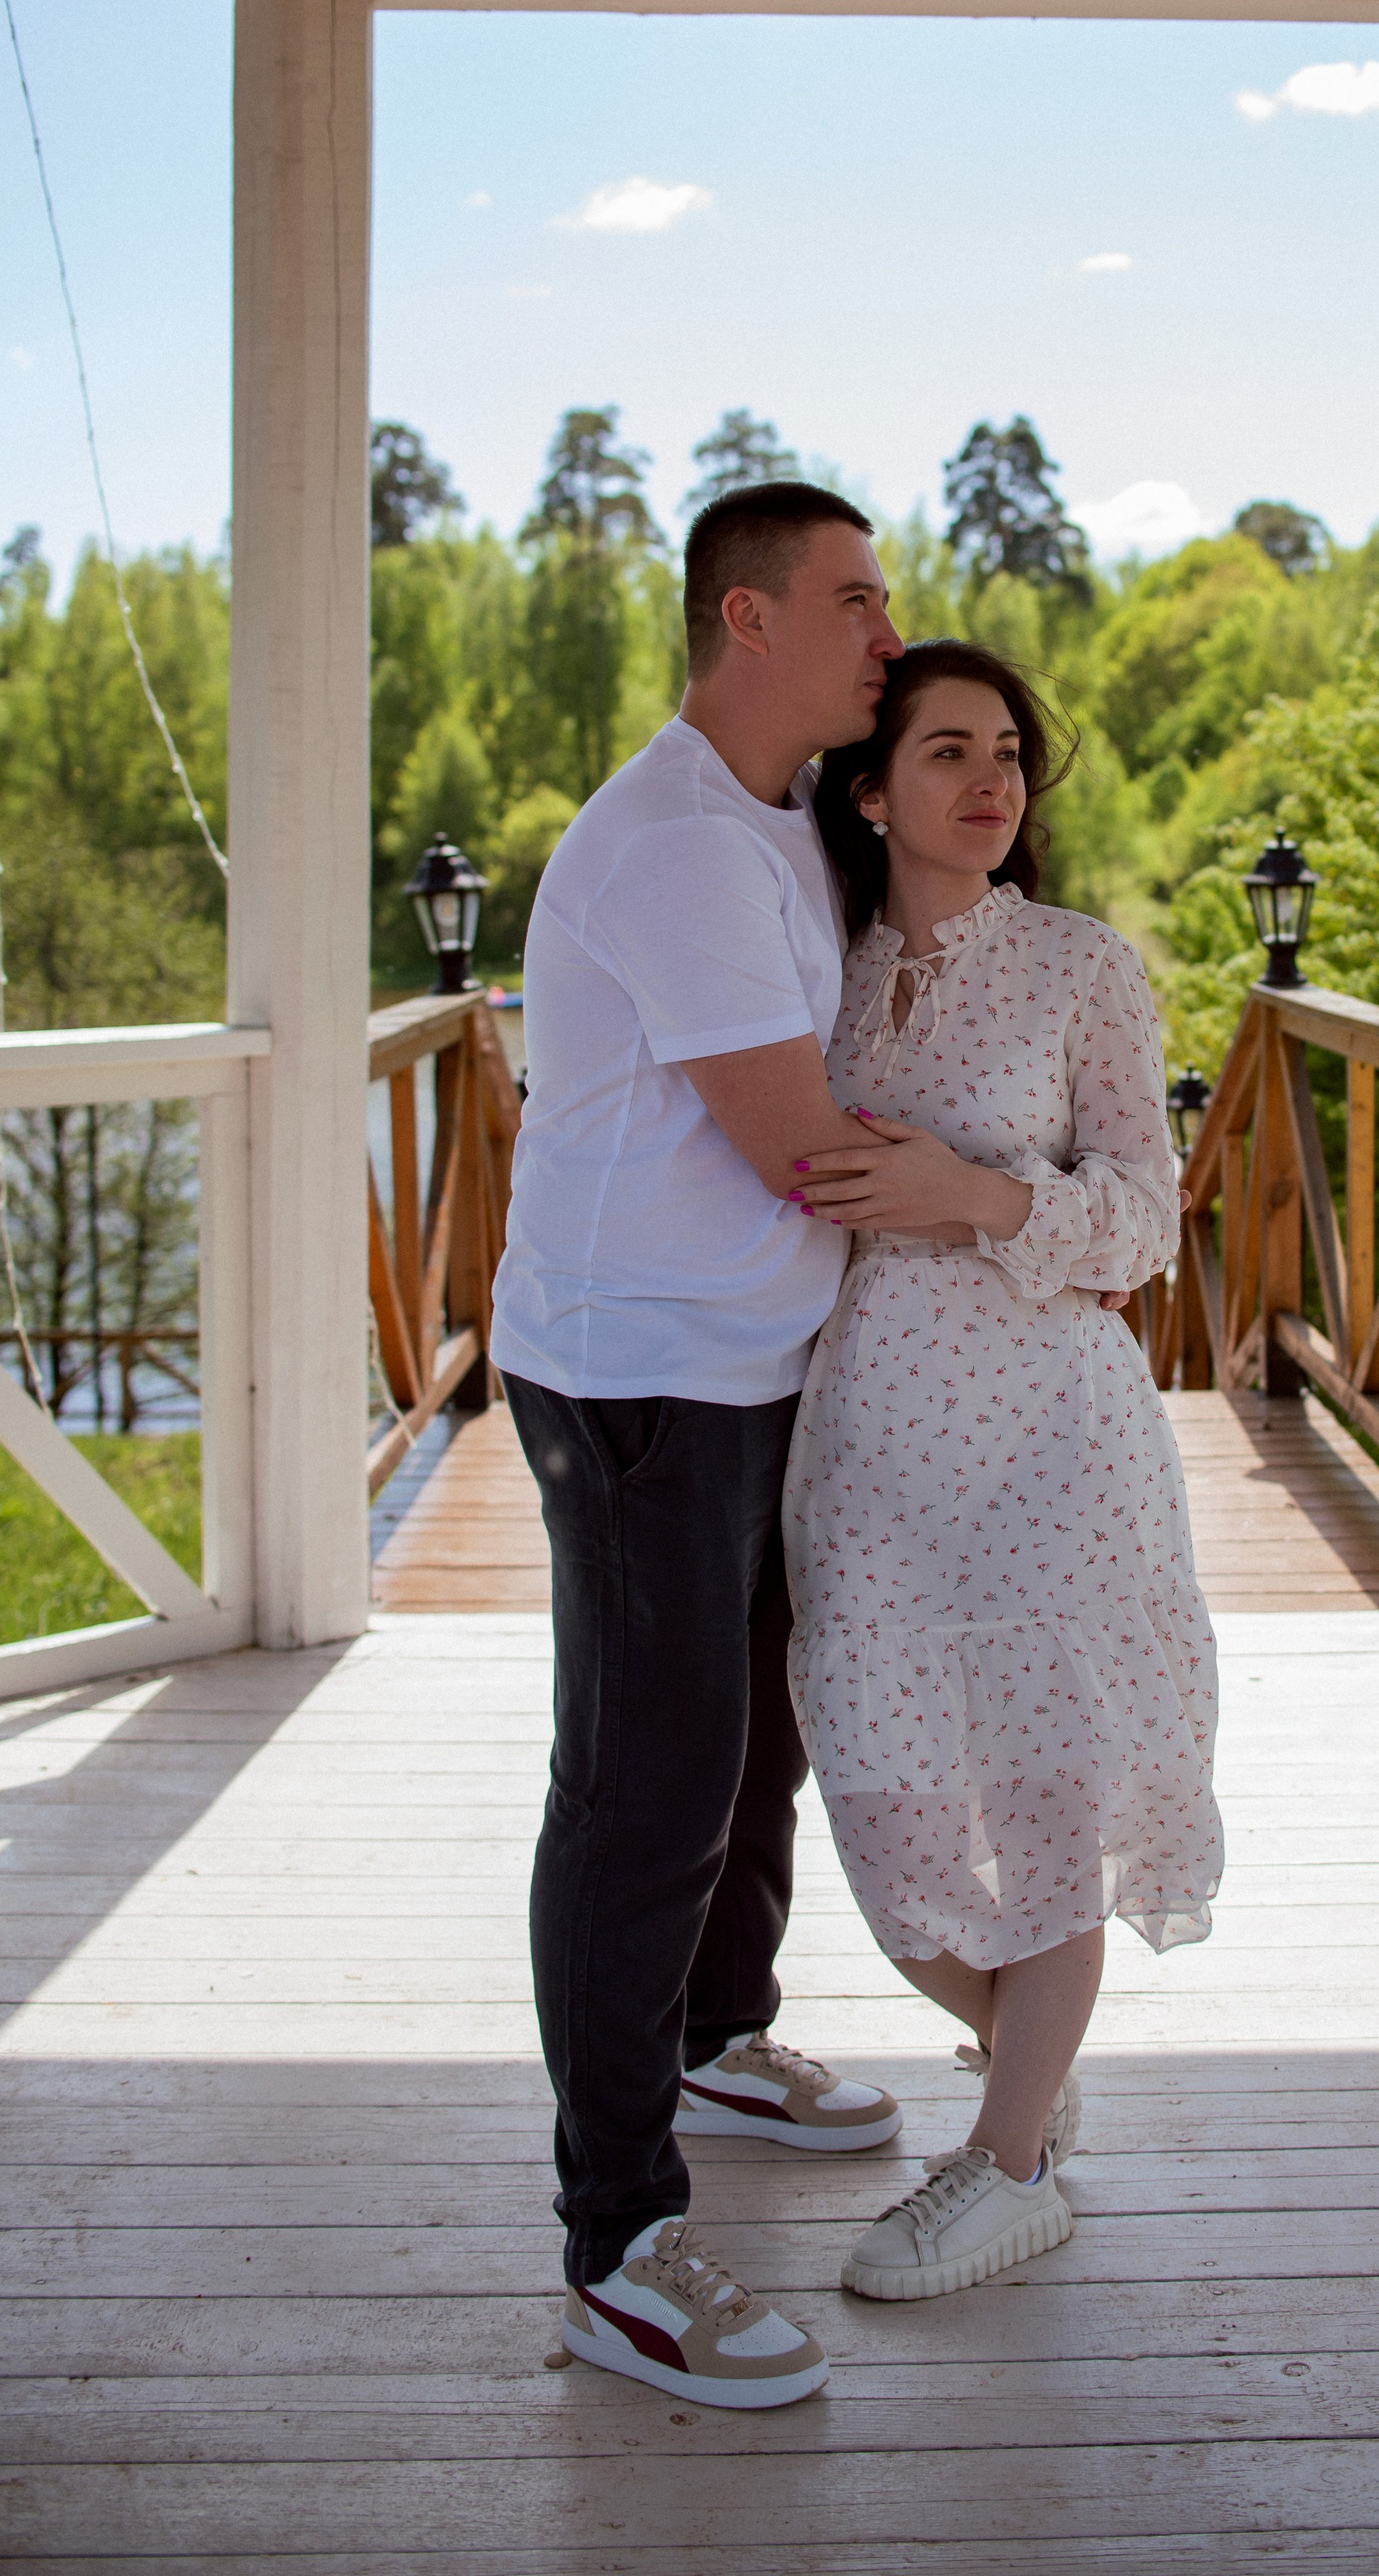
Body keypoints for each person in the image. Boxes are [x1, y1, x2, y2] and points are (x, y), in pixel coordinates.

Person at [490, 480, 913, 2414]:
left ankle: (714, 2032)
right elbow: (804, 1148)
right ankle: (615, 2244)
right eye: (850, 598)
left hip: (751, 1363)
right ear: (743, 620)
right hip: (636, 1373)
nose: (882, 630)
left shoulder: (779, 825)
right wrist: (1027, 1215)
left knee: (757, 1739)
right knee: (644, 1785)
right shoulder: (670, 840)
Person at [782, 640, 1225, 2301]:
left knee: (1048, 1807)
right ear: (871, 788)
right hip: (864, 1452)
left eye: (1009, 754)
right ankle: (1033, 2060)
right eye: (947, 750)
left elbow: (1141, 1217)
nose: (989, 781)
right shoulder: (806, 958)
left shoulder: (1076, 966)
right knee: (888, 1824)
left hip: (1052, 1443)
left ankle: (1006, 2161)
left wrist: (971, 1194)